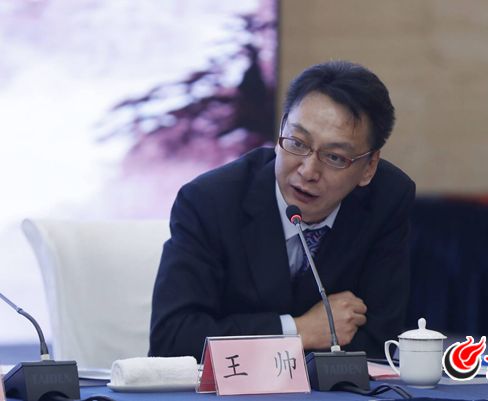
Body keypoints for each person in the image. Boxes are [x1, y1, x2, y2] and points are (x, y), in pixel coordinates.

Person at [149, 60, 415, 360]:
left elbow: (381, 342)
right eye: (297, 143)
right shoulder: (210, 201)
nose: (308, 171)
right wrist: (296, 331)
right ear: (280, 132)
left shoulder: (387, 199)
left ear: (369, 167)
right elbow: (172, 340)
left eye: (335, 157)